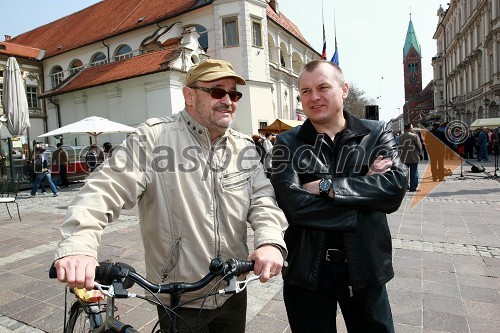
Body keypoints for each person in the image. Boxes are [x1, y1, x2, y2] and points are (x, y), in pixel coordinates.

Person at [52, 59, 287, 333]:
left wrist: (270, 241)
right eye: (217, 91)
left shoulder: (244, 147)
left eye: (234, 94)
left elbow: (262, 200)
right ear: (189, 95)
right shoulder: (154, 138)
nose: (228, 101)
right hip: (179, 294)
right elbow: (103, 190)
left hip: (232, 288)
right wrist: (79, 247)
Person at [270, 60, 406, 333]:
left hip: (365, 265)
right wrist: (364, 191)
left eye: (322, 87)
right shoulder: (287, 143)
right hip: (308, 269)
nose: (314, 97)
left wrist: (323, 186)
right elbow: (294, 207)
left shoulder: (376, 133)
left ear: (344, 89)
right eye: (305, 91)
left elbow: (392, 191)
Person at [399, 123, 422, 192]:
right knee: (414, 172)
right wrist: (419, 152)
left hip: (404, 157)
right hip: (413, 156)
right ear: (409, 128)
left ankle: (405, 186)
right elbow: (419, 147)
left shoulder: (400, 136)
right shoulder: (414, 136)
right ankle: (413, 187)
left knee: (404, 173)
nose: (412, 128)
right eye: (412, 127)